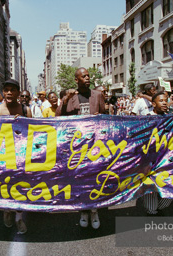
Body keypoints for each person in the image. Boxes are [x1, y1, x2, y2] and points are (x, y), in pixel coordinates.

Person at [56, 67, 105, 229]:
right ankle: (83, 211)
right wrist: (64, 100)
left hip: (95, 146)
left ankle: (94, 210)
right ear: (76, 80)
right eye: (83, 76)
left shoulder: (97, 95)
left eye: (88, 76)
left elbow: (105, 118)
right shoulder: (70, 97)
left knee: (94, 179)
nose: (87, 78)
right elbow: (58, 117)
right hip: (76, 147)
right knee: (80, 179)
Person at [0, 79, 31, 234]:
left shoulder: (26, 110)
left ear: (18, 93)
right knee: (4, 185)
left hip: (21, 156)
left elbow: (32, 133)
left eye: (12, 90)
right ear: (2, 92)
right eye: (6, 89)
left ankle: (19, 218)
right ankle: (6, 211)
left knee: (20, 186)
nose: (9, 93)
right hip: (1, 157)